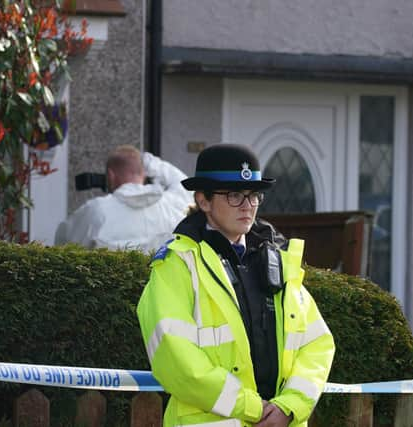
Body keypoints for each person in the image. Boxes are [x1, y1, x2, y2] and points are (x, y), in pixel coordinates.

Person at [137, 144, 335, 427]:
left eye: (254, 195)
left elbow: (317, 343)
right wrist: (254, 408)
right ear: (203, 200)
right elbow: (176, 359)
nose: (247, 205)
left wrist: (289, 406)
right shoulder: (177, 264)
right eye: (234, 195)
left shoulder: (277, 259)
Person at [54, 145, 192, 252]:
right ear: (143, 173)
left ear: (110, 175)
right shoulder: (170, 205)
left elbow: (63, 242)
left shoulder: (96, 211)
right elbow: (185, 184)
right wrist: (147, 161)